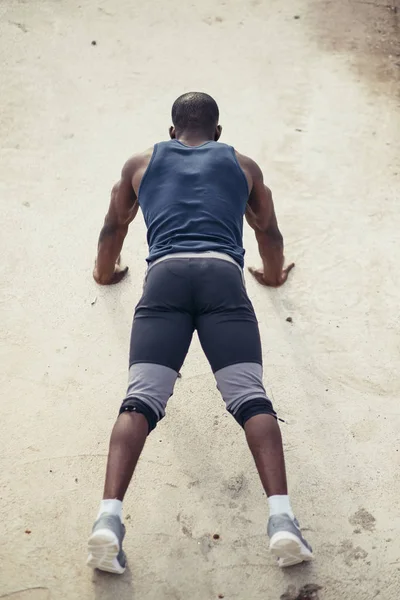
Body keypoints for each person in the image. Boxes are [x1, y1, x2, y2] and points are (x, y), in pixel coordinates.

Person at [87, 92, 313, 574]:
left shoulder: (139, 164)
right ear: (218, 132)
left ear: (172, 132)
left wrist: (104, 273)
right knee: (251, 399)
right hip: (222, 278)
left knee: (140, 401)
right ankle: (282, 521)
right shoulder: (243, 165)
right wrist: (273, 275)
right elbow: (267, 232)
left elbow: (114, 227)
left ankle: (108, 519)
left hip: (164, 277)